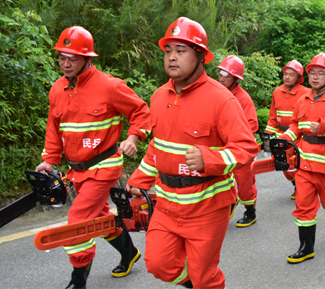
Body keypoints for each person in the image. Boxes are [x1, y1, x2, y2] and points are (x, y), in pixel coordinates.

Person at [126, 17, 257, 289]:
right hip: (166, 202)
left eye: (181, 51)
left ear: (200, 56)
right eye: (168, 51)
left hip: (207, 207)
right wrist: (140, 179)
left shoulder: (222, 99)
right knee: (158, 264)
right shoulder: (159, 96)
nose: (172, 58)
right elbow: (157, 147)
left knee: (205, 276)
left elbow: (246, 147)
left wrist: (210, 159)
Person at [35, 26, 152, 289]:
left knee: (77, 221)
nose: (66, 63)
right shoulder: (57, 89)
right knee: (99, 218)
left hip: (105, 167)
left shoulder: (110, 86)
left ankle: (78, 282)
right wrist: (50, 160)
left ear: (88, 58)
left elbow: (142, 112)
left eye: (72, 58)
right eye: (62, 57)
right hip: (76, 171)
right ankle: (129, 253)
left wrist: (133, 138)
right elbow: (54, 129)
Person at [278, 53, 325, 264]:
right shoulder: (302, 100)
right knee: (303, 206)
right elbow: (296, 126)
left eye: (321, 73)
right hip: (305, 166)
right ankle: (306, 247)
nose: (315, 77)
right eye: (312, 72)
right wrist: (285, 138)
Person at [217, 55, 259, 227]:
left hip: (240, 148)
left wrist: (232, 135)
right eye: (220, 73)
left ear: (235, 78)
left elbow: (252, 124)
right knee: (220, 180)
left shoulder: (243, 98)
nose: (222, 77)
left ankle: (250, 212)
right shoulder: (216, 94)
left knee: (245, 182)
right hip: (221, 147)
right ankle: (228, 204)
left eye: (226, 74)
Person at [264, 60, 310, 199]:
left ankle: (302, 187)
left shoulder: (306, 93)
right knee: (284, 167)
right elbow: (273, 116)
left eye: (291, 74)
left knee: (297, 164)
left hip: (298, 136)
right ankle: (296, 184)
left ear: (298, 78)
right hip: (281, 135)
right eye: (286, 74)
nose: (287, 77)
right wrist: (268, 136)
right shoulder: (277, 92)